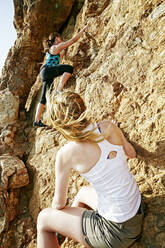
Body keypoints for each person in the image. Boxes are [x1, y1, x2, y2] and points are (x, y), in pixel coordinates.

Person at [37, 90, 143, 248]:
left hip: (116, 233)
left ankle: (88, 237)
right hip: (136, 211)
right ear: (84, 108)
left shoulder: (66, 154)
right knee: (82, 193)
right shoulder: (108, 127)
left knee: (44, 219)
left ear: (61, 126)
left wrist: (58, 213)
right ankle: (87, 237)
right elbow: (132, 154)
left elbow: (58, 204)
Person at [33, 25, 87, 127]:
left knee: (44, 98)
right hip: (47, 71)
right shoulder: (55, 47)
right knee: (69, 68)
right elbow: (72, 41)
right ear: (56, 39)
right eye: (59, 38)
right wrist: (83, 30)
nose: (61, 39)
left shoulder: (53, 51)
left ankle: (37, 121)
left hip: (45, 73)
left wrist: (64, 48)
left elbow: (63, 52)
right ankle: (59, 90)